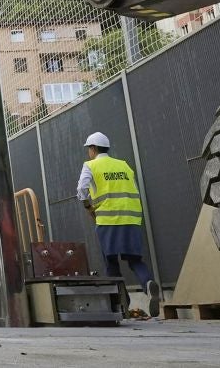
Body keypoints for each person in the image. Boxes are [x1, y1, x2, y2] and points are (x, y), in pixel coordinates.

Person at [77, 131, 161, 316]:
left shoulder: (90, 165)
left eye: (89, 149)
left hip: (107, 219)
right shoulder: (124, 165)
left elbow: (82, 189)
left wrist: (88, 207)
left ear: (93, 148)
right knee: (135, 260)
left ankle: (122, 302)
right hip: (131, 218)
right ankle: (148, 284)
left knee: (111, 261)